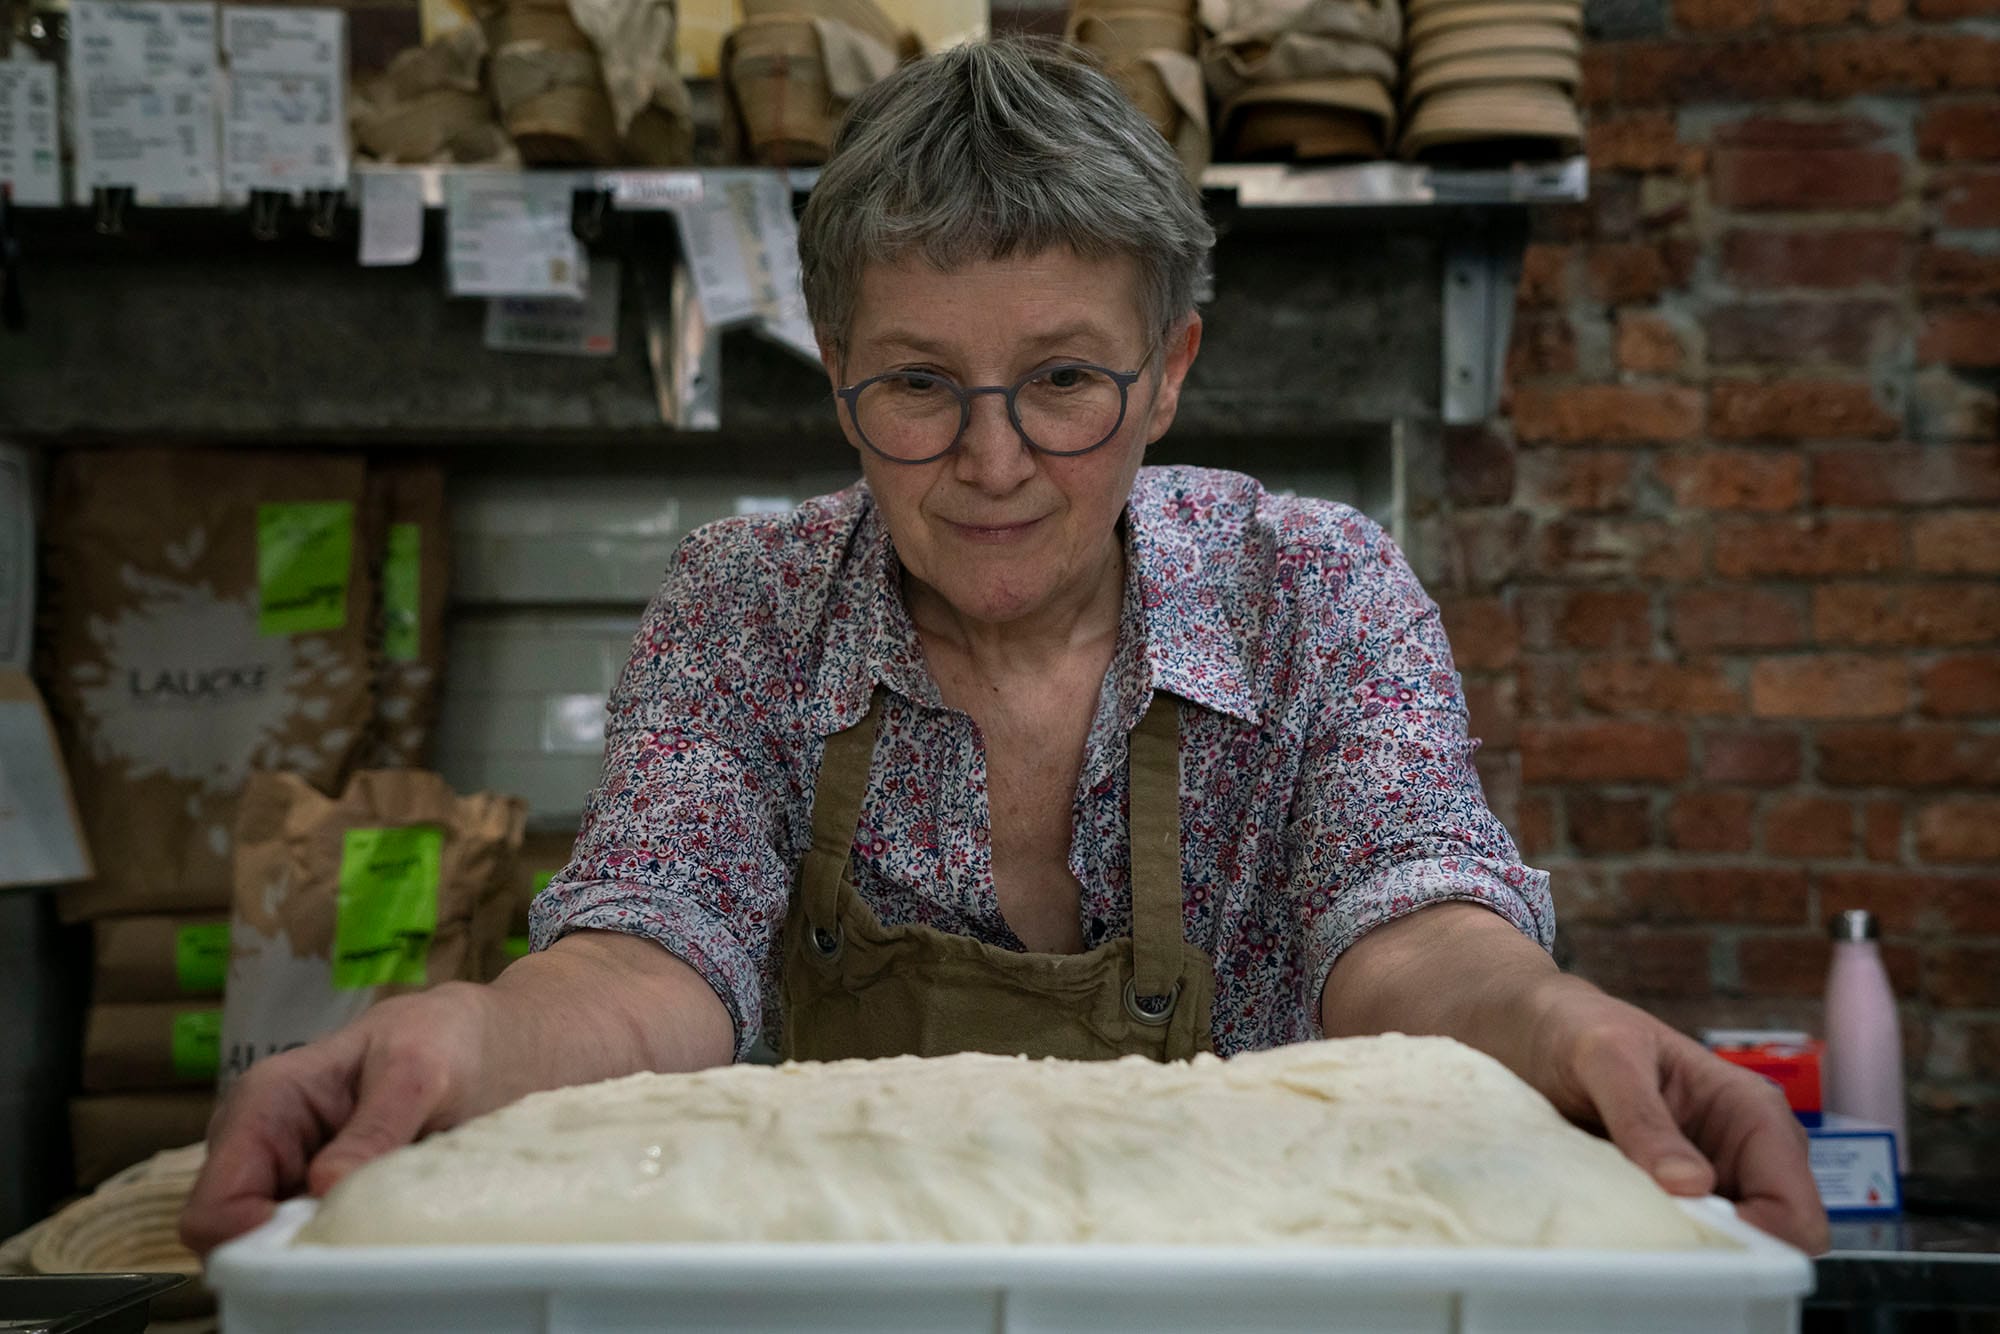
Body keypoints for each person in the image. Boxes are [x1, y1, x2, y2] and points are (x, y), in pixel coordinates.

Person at [182, 38, 1826, 1256]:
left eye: (1063, 381)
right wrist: (463, 1036)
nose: (992, 463)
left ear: (1169, 370)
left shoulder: (1317, 588)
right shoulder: (744, 604)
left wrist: (1554, 1025)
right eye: (917, 384)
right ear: (834, 367)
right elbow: (651, 949)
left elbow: (1406, 927)